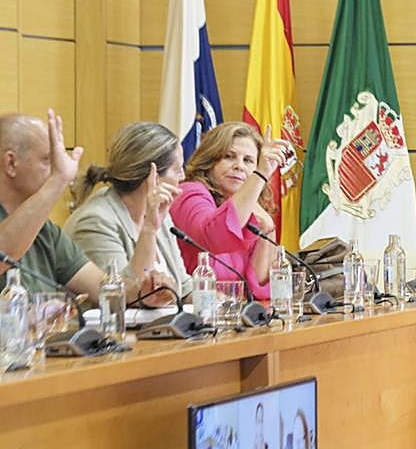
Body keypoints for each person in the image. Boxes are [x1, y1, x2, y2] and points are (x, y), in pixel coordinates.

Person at [0, 110, 160, 302]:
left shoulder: (45, 231)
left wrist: (147, 292)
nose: (59, 168)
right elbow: (4, 252)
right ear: (11, 163)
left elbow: (106, 292)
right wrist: (58, 180)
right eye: (48, 160)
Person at [63, 122, 189, 306]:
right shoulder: (96, 220)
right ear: (151, 175)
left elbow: (183, 287)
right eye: (177, 169)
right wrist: (149, 230)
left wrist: (216, 301)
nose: (183, 177)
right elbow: (121, 297)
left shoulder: (159, 212)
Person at [171, 122, 288, 301]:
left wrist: (267, 228)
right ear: (209, 161)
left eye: (248, 160)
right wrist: (260, 175)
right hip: (192, 315)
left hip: (232, 315)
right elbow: (213, 236)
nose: (239, 166)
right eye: (229, 156)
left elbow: (257, 288)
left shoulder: (252, 209)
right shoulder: (189, 193)